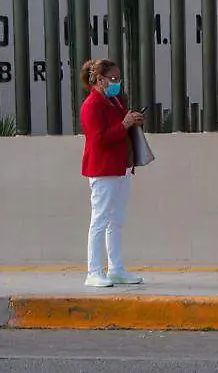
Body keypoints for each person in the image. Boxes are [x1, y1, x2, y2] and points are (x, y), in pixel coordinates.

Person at [80, 58, 146, 288]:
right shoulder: (92, 105)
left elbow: (119, 128)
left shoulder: (114, 101)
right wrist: (124, 125)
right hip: (104, 169)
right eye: (113, 79)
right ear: (99, 80)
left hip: (121, 167)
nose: (117, 83)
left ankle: (116, 268)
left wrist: (131, 121)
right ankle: (93, 270)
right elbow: (98, 140)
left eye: (119, 79)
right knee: (100, 219)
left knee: (116, 220)